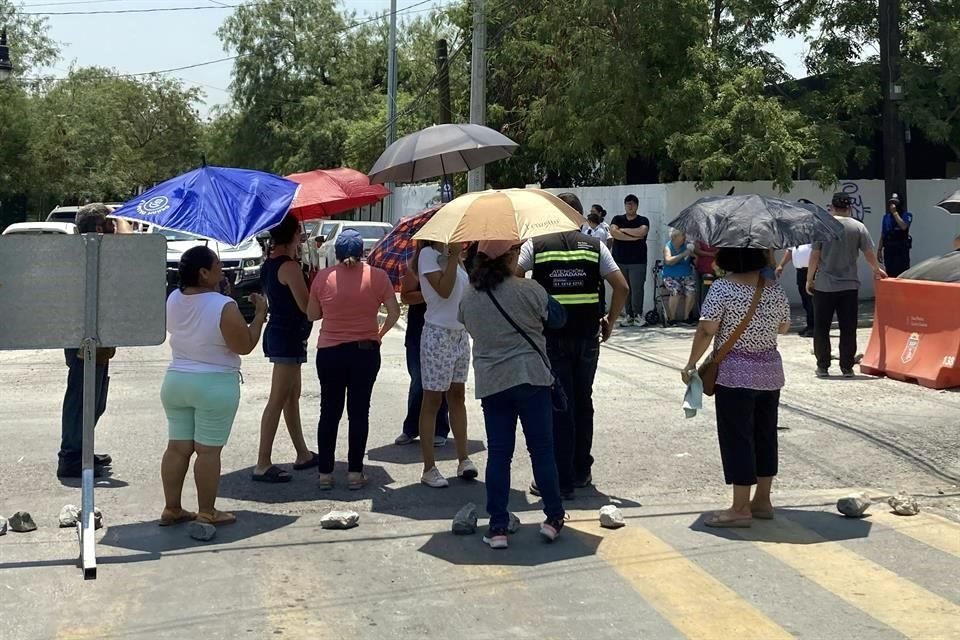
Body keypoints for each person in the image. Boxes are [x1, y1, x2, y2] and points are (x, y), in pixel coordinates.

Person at [518, 192, 628, 498]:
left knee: (558, 403)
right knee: (583, 400)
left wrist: (533, 308)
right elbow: (622, 286)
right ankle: (582, 470)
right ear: (579, 216)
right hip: (587, 336)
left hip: (552, 338)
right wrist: (610, 320)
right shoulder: (596, 247)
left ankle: (558, 475)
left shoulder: (535, 245)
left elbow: (514, 276)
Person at [460, 240, 568, 548]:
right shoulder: (528, 289)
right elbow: (559, 318)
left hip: (493, 384)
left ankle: (497, 527)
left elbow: (467, 325)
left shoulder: (470, 296)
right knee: (542, 451)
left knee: (499, 455)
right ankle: (553, 518)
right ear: (510, 257)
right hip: (532, 379)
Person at [682, 247, 792, 528]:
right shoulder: (773, 289)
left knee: (738, 437)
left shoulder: (721, 288)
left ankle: (740, 507)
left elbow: (707, 329)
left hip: (735, 375)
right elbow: (784, 327)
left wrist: (691, 363)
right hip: (770, 373)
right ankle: (762, 501)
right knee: (764, 435)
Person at [160, 246, 267, 526]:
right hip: (214, 382)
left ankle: (172, 507)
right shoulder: (223, 305)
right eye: (217, 265)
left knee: (177, 448)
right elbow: (243, 345)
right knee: (208, 451)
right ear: (204, 272)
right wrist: (258, 316)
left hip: (176, 380)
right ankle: (207, 511)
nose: (222, 269)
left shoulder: (173, 298)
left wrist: (222, 297)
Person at [308, 229, 401, 490]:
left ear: (336, 253)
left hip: (329, 353)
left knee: (329, 412)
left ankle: (325, 473)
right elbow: (393, 312)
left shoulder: (323, 277)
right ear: (363, 253)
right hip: (365, 351)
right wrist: (379, 334)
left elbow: (312, 314)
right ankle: (355, 473)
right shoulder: (378, 277)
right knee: (359, 412)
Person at [253, 214, 317, 483]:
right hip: (287, 335)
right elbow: (306, 307)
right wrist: (316, 286)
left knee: (292, 395)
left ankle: (302, 452)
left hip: (283, 334)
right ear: (293, 235)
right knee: (278, 398)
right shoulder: (289, 267)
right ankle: (262, 462)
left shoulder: (271, 263)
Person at [58, 203, 116, 479]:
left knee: (95, 398)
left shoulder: (97, 253)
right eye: (110, 224)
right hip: (82, 336)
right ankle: (70, 456)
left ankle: (82, 448)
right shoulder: (82, 254)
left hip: (95, 334)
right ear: (97, 228)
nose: (115, 229)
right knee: (82, 397)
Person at [417, 240, 478, 488]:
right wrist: (453, 257)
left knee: (458, 396)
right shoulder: (427, 255)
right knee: (432, 399)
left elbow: (465, 290)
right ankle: (429, 467)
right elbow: (443, 289)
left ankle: (463, 458)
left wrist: (457, 258)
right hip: (437, 334)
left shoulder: (455, 257)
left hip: (459, 334)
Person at [807, 193, 887, 378]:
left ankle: (823, 366)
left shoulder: (822, 226)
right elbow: (868, 253)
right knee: (848, 328)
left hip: (825, 286)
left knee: (822, 327)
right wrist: (876, 269)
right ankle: (847, 367)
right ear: (850, 208)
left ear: (831, 207)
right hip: (849, 286)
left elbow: (814, 256)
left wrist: (809, 279)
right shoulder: (858, 227)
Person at [394, 242, 451, 447]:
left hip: (443, 329)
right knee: (419, 380)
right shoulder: (415, 265)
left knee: (442, 382)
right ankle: (411, 428)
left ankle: (440, 428)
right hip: (419, 330)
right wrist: (430, 294)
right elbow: (406, 296)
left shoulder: (448, 264)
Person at [610, 194, 650, 326]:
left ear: (637, 206)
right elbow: (613, 232)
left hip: (638, 261)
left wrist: (623, 232)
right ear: (625, 205)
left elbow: (642, 231)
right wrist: (632, 237)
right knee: (624, 288)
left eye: (633, 204)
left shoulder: (643, 220)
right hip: (620, 260)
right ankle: (628, 315)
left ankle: (638, 314)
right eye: (628, 203)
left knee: (637, 288)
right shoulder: (617, 218)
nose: (630, 206)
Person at [775, 244, 815, 337]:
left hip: (811, 270)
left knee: (811, 300)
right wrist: (781, 265)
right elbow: (789, 251)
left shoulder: (812, 235)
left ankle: (814, 327)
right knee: (805, 300)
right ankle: (810, 325)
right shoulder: (797, 237)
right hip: (800, 271)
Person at [663, 228, 697, 325]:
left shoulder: (687, 246)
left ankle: (687, 318)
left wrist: (694, 255)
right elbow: (668, 261)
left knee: (691, 292)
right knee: (675, 292)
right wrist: (683, 255)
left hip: (686, 274)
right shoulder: (668, 246)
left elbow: (695, 258)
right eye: (683, 235)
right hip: (671, 275)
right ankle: (672, 318)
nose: (685, 237)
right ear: (675, 237)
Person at [878, 194, 913, 277]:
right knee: (890, 271)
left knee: (902, 271)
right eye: (891, 203)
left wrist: (895, 213)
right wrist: (879, 249)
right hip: (889, 248)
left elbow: (904, 226)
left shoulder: (907, 215)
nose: (893, 205)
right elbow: (883, 234)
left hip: (901, 248)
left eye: (895, 202)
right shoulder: (886, 217)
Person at [694, 240, 718, 308]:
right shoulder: (700, 238)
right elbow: (696, 250)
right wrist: (711, 254)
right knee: (707, 288)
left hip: (718, 269)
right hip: (705, 269)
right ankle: (704, 308)